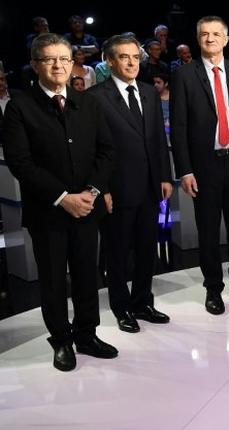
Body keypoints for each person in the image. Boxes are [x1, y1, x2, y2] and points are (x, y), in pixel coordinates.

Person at [3, 33, 117, 371]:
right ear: (36, 64)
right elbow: (20, 162)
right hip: (47, 213)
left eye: (64, 59)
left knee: (86, 274)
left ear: (72, 63)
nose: (58, 65)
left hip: (87, 208)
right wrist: (63, 197)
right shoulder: (20, 107)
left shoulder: (90, 103)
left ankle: (87, 334)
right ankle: (62, 341)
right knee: (53, 280)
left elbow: (107, 152)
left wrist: (92, 192)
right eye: (50, 59)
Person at [170, 16, 229, 315]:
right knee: (208, 230)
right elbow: (180, 127)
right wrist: (184, 169)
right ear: (198, 39)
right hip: (204, 165)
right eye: (204, 34)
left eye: (216, 34)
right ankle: (213, 288)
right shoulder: (184, 75)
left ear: (226, 39)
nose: (210, 39)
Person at [90, 34, 173, 333]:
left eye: (135, 57)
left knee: (145, 249)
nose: (131, 62)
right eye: (123, 57)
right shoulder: (95, 97)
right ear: (109, 61)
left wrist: (165, 175)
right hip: (118, 189)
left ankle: (143, 302)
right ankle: (121, 307)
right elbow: (93, 150)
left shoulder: (150, 93)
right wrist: (103, 190)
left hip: (150, 187)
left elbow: (158, 141)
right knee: (117, 253)